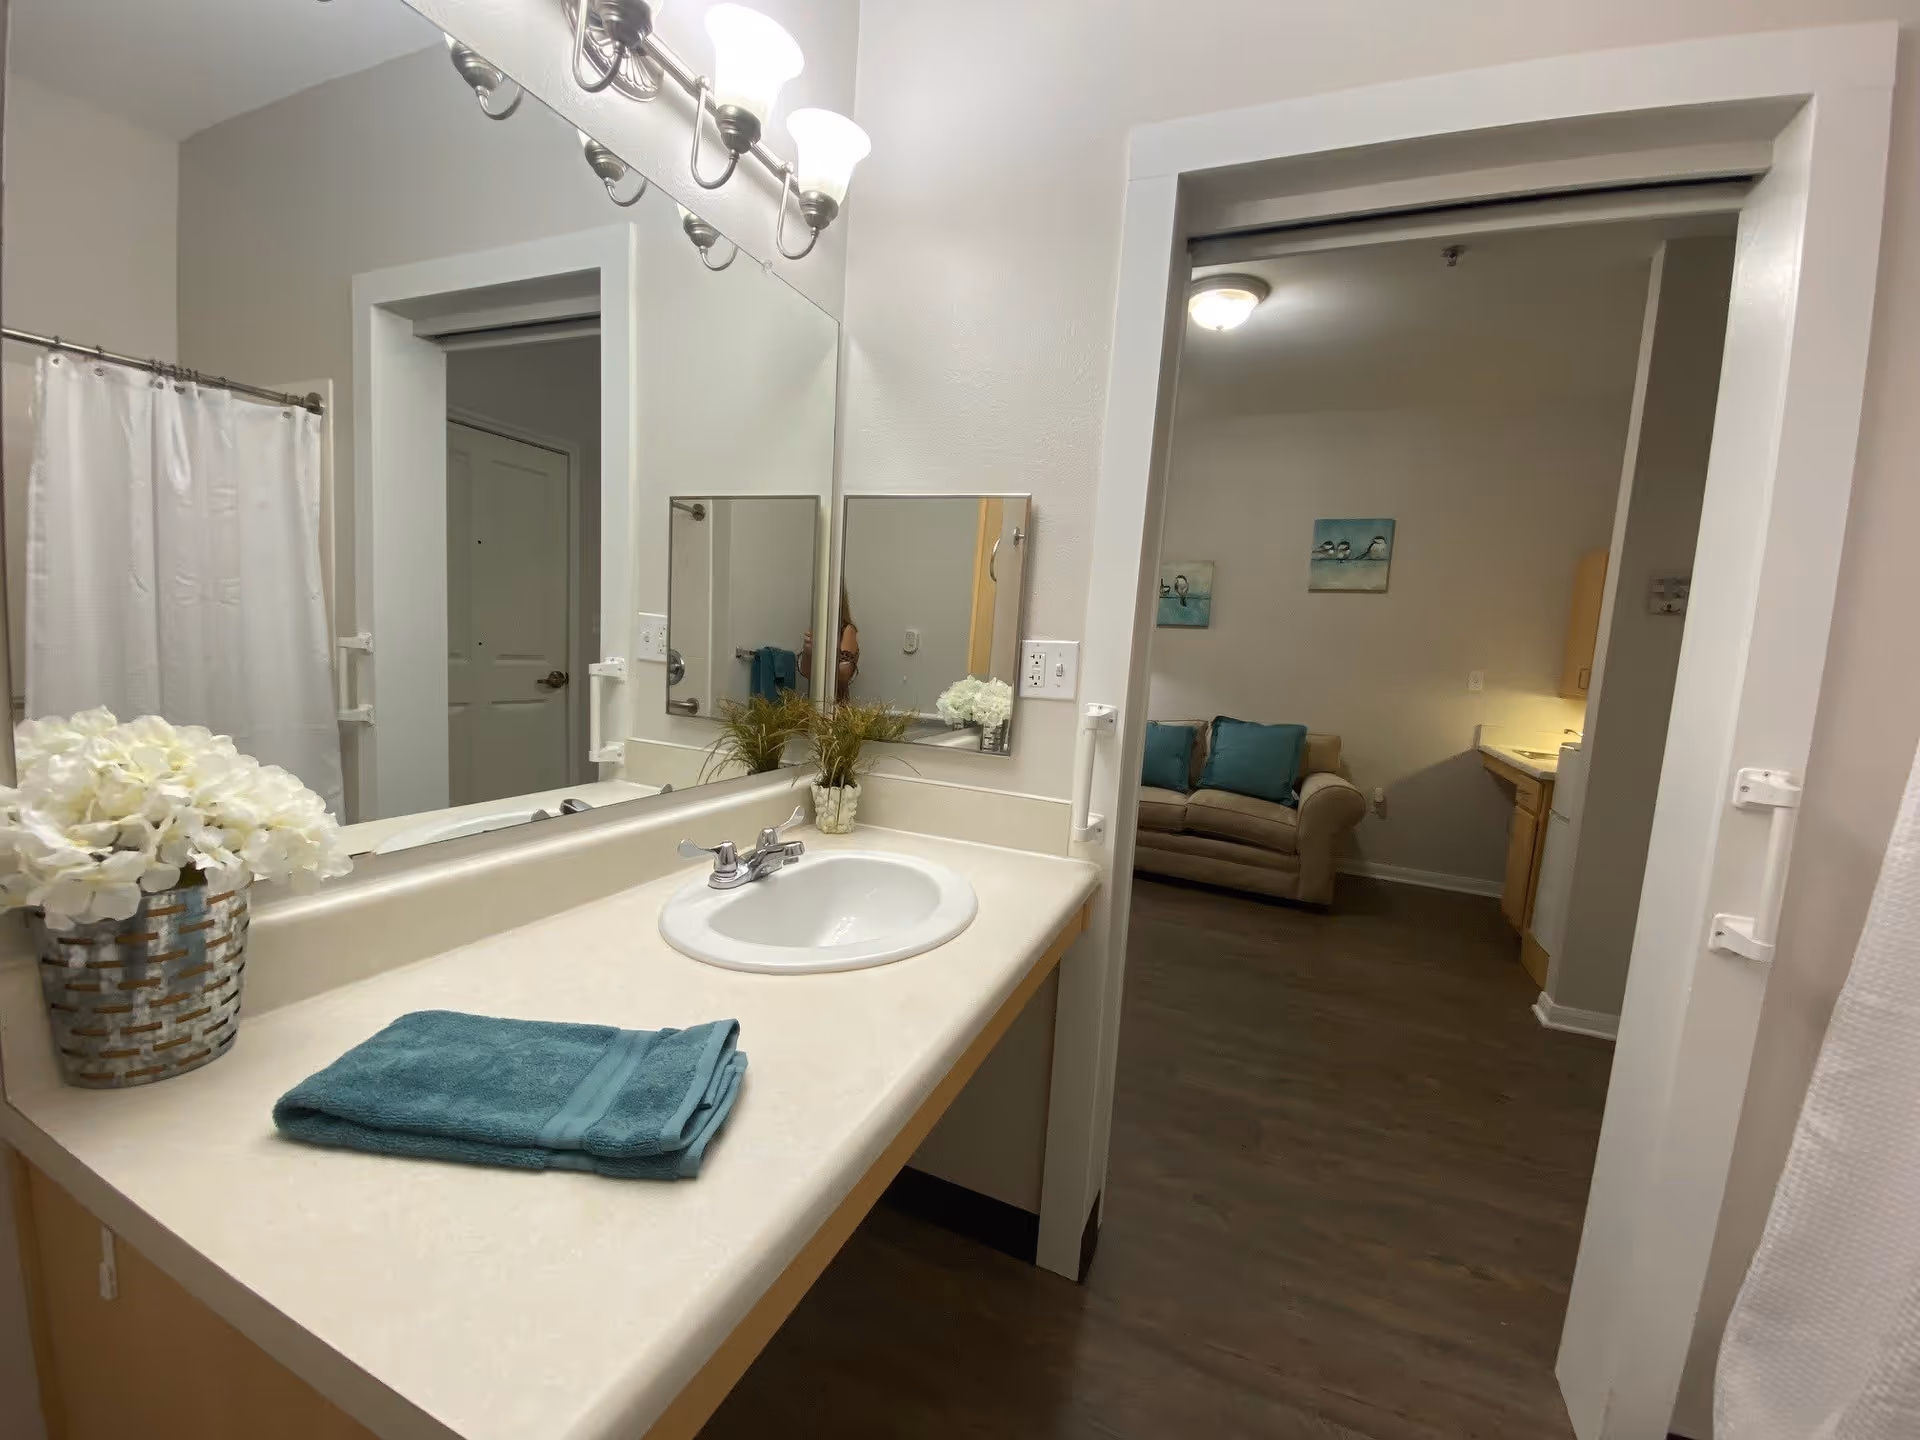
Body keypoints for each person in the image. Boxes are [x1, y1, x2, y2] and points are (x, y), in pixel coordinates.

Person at [800, 582, 860, 702]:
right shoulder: (817, 628)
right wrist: (807, 652)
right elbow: (806, 673)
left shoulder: (847, 630)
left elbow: (843, 675)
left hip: (837, 706)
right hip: (814, 702)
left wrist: (819, 657)